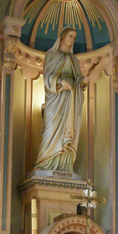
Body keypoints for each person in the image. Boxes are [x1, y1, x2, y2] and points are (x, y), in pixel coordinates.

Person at [33, 27, 86, 173]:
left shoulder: (74, 59)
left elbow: (78, 79)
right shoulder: (52, 55)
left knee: (69, 131)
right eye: (70, 36)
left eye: (74, 37)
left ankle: (64, 165)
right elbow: (48, 76)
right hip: (56, 98)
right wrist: (61, 83)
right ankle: (46, 162)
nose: (72, 40)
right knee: (51, 128)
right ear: (62, 37)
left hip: (70, 99)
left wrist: (81, 82)